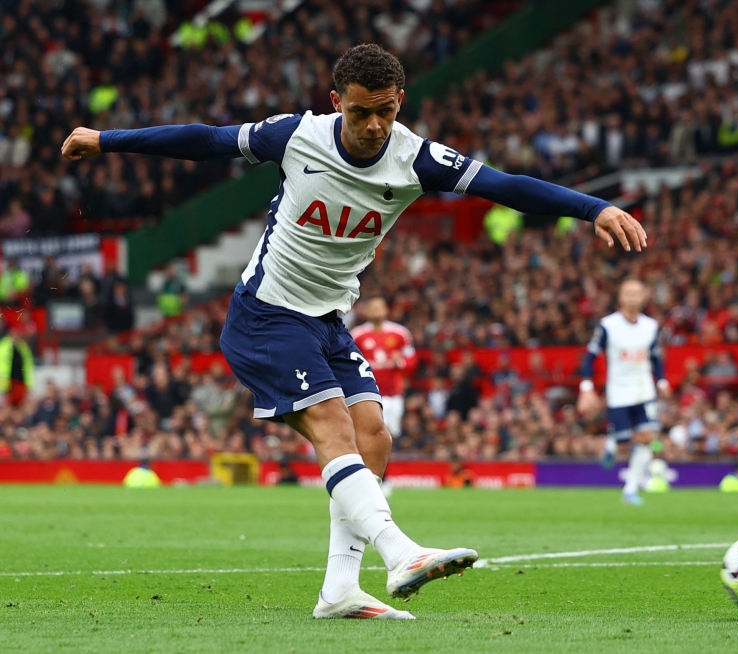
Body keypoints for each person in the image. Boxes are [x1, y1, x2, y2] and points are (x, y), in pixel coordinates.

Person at [62, 44, 646, 620]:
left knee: (374, 438)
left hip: (327, 320)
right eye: (360, 112)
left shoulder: (416, 158)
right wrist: (107, 139)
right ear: (336, 101)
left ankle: (340, 589)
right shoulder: (296, 135)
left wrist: (593, 208)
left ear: (399, 102)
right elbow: (207, 139)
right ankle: (401, 552)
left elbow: (506, 185)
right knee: (334, 426)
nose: (373, 126)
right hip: (266, 313)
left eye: (385, 112)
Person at [577, 279, 668, 505]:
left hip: (644, 390)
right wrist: (586, 388)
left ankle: (630, 490)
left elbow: (656, 357)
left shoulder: (651, 326)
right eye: (628, 293)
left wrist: (662, 381)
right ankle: (612, 444)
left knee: (648, 437)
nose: (633, 297)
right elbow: (590, 356)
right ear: (620, 297)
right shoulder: (608, 325)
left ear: (644, 297)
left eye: (637, 293)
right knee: (624, 445)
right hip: (618, 392)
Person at [350, 297, 416, 438]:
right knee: (372, 432)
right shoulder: (357, 335)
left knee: (393, 433)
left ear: (386, 310)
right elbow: (349, 362)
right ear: (367, 311)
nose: (376, 311)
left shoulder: (400, 333)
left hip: (394, 393)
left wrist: (400, 362)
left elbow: (411, 359)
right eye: (373, 308)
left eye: (379, 308)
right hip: (368, 393)